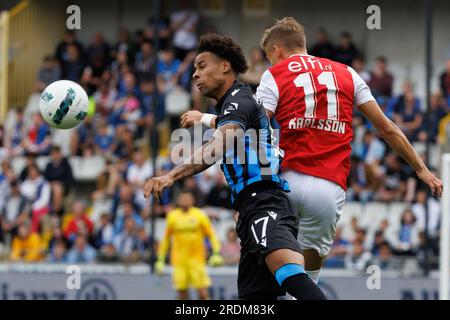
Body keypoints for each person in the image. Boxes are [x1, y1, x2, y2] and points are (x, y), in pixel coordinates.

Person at [181, 17, 443, 285]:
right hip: (330, 189)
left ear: (277, 51)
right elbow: (387, 129)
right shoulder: (347, 73)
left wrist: (203, 118)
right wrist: (422, 170)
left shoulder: (277, 73)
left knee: (271, 269)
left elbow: (249, 125)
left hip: (288, 183)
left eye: (270, 57)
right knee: (307, 277)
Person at [145, 34, 326, 300]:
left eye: (202, 66)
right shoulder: (235, 106)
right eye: (194, 69)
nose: (195, 74)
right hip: (250, 207)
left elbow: (218, 145)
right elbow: (232, 125)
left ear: (225, 66)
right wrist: (204, 118)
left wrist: (171, 176)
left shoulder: (239, 100)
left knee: (288, 272)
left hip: (266, 202)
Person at [154, 190, 222, 300]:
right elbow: (166, 239)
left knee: (203, 293)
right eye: (182, 198)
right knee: (182, 295)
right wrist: (160, 259)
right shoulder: (172, 216)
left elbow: (211, 235)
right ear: (178, 200)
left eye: (188, 198)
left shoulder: (200, 215)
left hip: (197, 261)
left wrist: (217, 253)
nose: (185, 200)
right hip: (179, 262)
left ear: (193, 200)